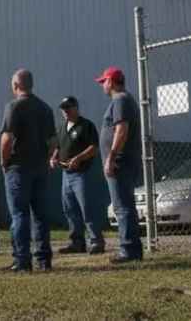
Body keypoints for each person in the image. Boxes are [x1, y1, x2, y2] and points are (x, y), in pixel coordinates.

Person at [0, 69, 57, 273]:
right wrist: (46, 158)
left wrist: (3, 161)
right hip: (39, 167)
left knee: (19, 214)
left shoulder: (14, 107)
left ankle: (22, 260)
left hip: (18, 167)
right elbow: (53, 142)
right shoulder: (45, 108)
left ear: (16, 85)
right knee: (40, 215)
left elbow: (7, 139)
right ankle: (44, 260)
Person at [97, 66, 144, 263]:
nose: (102, 85)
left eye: (104, 81)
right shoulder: (123, 100)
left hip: (120, 163)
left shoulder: (121, 100)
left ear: (112, 81)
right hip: (123, 161)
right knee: (125, 205)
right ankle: (132, 248)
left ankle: (128, 250)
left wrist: (111, 157)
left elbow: (121, 130)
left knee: (122, 207)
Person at [50, 97, 106, 255]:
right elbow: (58, 146)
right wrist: (54, 157)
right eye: (63, 108)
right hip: (66, 175)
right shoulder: (62, 127)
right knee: (70, 209)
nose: (65, 111)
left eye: (68, 108)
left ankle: (96, 242)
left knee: (87, 208)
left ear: (76, 108)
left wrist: (78, 158)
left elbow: (94, 148)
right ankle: (77, 242)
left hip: (82, 174)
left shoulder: (86, 125)